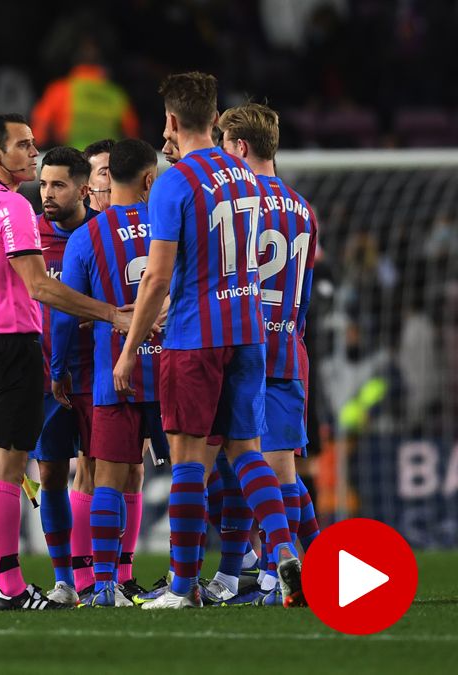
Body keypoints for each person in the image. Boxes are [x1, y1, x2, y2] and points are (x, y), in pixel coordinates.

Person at [112, 72, 302, 610]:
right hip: (249, 333)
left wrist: (129, 352)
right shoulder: (245, 175)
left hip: (196, 337)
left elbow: (157, 276)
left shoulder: (174, 180)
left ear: (171, 122)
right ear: (216, 119)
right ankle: (284, 555)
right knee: (245, 451)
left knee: (189, 461)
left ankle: (180, 588)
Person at [0, 113, 131, 611]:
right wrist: (112, 314)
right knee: (7, 473)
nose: (32, 153)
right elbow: (40, 286)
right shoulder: (13, 208)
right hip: (12, 347)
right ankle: (10, 586)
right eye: (24, 147)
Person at [53, 138, 166, 607]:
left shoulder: (86, 238)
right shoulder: (170, 224)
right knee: (190, 474)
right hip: (172, 371)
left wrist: (59, 369)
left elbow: (62, 316)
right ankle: (187, 580)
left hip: (111, 375)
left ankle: (102, 585)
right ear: (148, 179)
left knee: (107, 479)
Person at [218, 102, 316, 607]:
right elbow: (305, 292)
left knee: (243, 469)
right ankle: (303, 563)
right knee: (277, 471)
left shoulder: (237, 202)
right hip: (287, 349)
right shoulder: (303, 208)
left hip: (241, 346)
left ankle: (270, 576)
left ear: (239, 148)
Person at [29, 146, 96, 607]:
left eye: (58, 185)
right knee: (51, 473)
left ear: (83, 188)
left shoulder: (103, 232)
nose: (47, 194)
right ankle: (64, 580)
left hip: (98, 373)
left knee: (104, 472)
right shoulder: (28, 234)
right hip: (46, 380)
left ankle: (101, 577)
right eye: (44, 183)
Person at [30, 38, 139, 150]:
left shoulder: (60, 90)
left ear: (73, 61)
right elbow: (132, 138)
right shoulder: (116, 94)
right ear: (103, 63)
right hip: (108, 162)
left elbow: (39, 135)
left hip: (73, 161)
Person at [83, 139, 115, 213]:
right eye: (104, 173)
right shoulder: (82, 224)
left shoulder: (142, 219)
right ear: (87, 187)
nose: (116, 177)